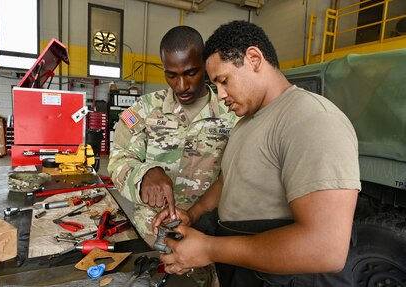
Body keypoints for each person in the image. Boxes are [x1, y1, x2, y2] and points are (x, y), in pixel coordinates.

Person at [152, 20, 361, 287]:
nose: (221, 95)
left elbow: (324, 248)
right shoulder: (246, 122)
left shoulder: (312, 119)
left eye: (223, 81)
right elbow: (227, 181)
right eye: (215, 85)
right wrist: (192, 215)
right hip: (247, 272)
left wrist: (209, 249)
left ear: (254, 58)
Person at [108, 25, 237, 247]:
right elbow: (118, 160)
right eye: (172, 75)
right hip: (152, 235)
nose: (182, 86)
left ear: (205, 65)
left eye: (191, 73)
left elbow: (236, 176)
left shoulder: (231, 113)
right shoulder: (144, 109)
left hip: (208, 236)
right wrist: (144, 174)